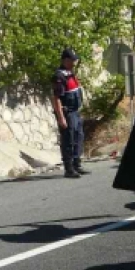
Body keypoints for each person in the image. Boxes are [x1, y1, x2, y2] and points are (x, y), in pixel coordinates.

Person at [52, 48, 87, 179]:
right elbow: (56, 98)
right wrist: (61, 118)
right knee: (69, 140)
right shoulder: (59, 76)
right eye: (72, 60)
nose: (74, 62)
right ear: (65, 60)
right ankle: (69, 168)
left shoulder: (70, 73)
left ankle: (77, 164)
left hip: (75, 112)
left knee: (79, 137)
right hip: (68, 113)